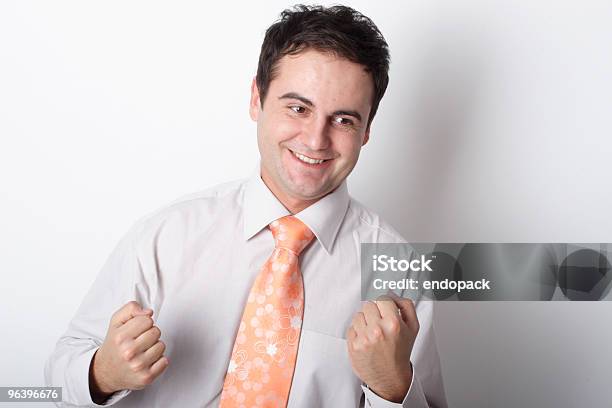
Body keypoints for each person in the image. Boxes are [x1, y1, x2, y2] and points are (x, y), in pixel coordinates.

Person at [45, 5, 447, 407]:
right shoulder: (165, 235)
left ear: (367, 130)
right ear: (257, 98)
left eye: (343, 120)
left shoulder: (401, 274)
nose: (315, 140)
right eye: (298, 108)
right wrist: (102, 374)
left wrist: (393, 388)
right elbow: (56, 377)